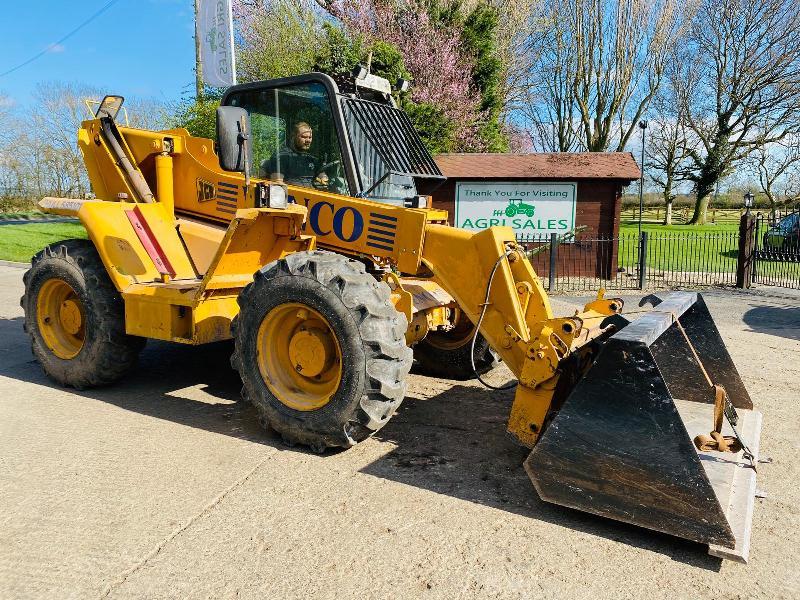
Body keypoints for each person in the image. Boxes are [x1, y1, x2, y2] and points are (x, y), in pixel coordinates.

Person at [261, 121, 329, 188]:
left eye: (310, 137)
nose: (308, 140)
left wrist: (323, 178)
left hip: (313, 193)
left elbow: (322, 176)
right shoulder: (282, 156)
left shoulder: (311, 159)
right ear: (294, 136)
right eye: (304, 137)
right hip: (292, 194)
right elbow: (278, 185)